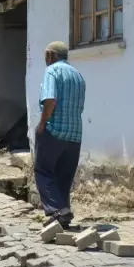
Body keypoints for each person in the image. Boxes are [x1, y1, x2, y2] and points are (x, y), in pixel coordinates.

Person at [35, 41, 86, 227]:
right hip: (75, 135)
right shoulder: (78, 75)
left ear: (51, 55)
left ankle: (57, 210)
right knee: (64, 176)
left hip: (54, 130)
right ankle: (62, 217)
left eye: (45, 55)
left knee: (43, 171)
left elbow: (50, 100)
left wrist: (42, 124)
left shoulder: (52, 71)